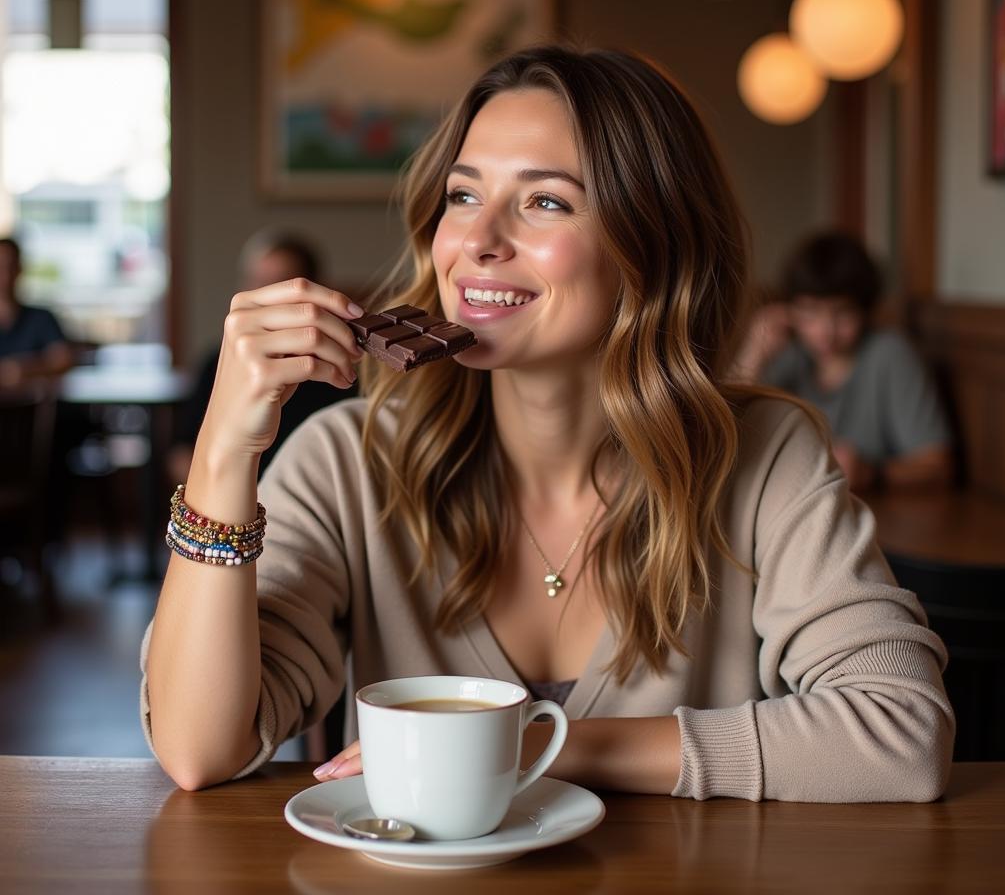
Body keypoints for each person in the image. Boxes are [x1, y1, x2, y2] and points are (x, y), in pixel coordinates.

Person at [142, 45, 953, 802]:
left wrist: (557, 747)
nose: (478, 241)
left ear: (651, 244)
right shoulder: (348, 464)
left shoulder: (762, 458)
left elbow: (901, 731)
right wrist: (223, 452)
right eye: (464, 195)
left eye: (544, 201)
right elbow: (197, 747)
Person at [734, 232, 953, 492]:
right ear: (790, 310)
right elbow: (723, 434)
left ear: (865, 310)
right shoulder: (787, 353)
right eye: (810, 311)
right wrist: (752, 354)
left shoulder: (890, 354)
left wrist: (872, 473)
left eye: (842, 312)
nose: (826, 330)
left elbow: (939, 466)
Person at [165, 230, 353, 485]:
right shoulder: (218, 363)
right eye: (257, 281)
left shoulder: (342, 371)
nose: (266, 296)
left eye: (279, 284)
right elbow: (181, 454)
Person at [0, 237, 75, 389]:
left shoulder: (41, 318)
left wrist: (22, 369)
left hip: (34, 408)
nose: (5, 274)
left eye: (10, 266)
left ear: (20, 269)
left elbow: (63, 359)